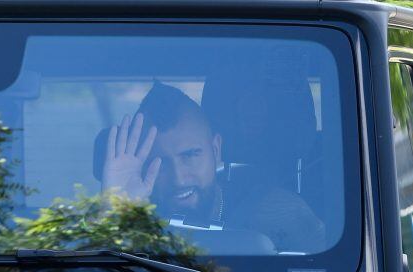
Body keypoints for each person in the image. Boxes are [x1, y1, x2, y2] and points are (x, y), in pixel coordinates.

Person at [100, 82, 324, 252]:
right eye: (160, 163)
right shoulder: (123, 221)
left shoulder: (281, 213)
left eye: (191, 155)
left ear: (216, 150)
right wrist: (115, 212)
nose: (179, 179)